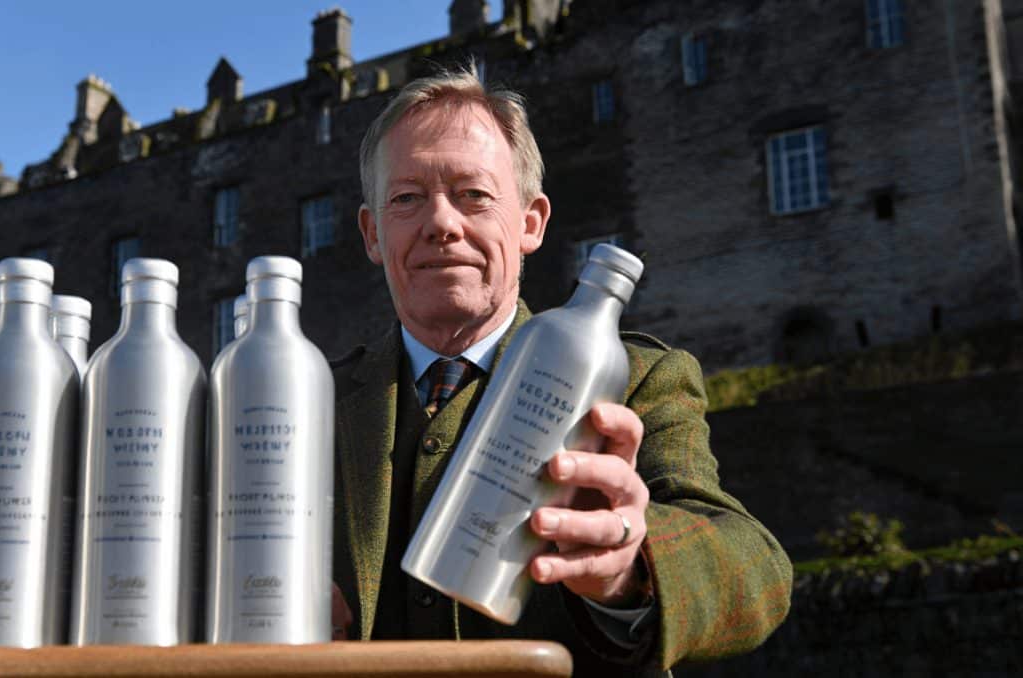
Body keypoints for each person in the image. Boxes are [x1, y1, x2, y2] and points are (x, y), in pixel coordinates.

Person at [329, 64, 792, 675]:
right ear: (372, 234)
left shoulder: (638, 380)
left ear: (531, 223)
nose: (441, 223)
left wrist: (631, 567)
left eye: (473, 195)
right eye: (407, 198)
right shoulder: (308, 400)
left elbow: (758, 572)